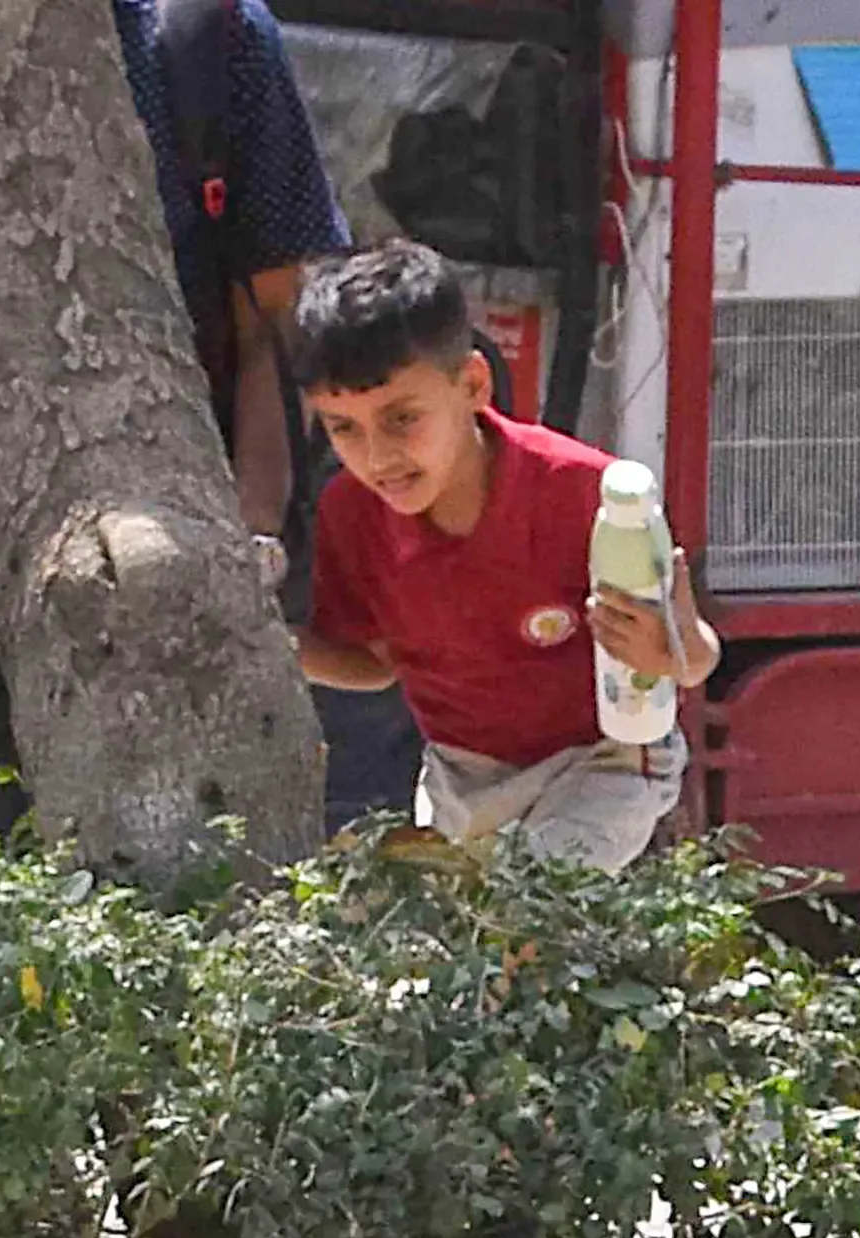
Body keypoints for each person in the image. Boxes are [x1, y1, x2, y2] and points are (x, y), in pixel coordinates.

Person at [0, 0, 345, 830]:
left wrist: (245, 544)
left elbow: (275, 321)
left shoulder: (206, 38)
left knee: (84, 899)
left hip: (110, 613)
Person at [288, 243, 711, 867]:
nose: (377, 457)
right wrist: (275, 646)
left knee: (532, 907)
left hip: (602, 763)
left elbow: (695, 657)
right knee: (451, 922)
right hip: (461, 777)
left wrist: (670, 651)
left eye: (402, 419)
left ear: (473, 385)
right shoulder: (350, 515)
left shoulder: (586, 494)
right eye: (343, 428)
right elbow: (376, 664)